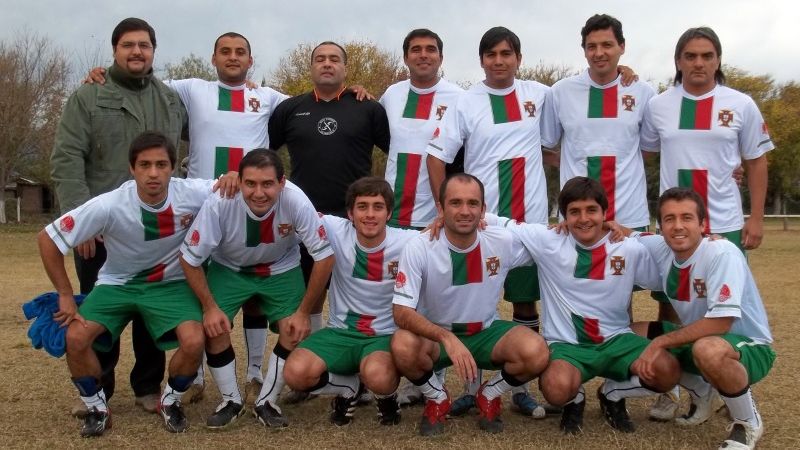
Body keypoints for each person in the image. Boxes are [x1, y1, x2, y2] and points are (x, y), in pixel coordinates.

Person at [50, 17, 186, 416]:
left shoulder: (169, 99)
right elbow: (66, 156)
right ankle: (98, 389)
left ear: (154, 51)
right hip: (101, 228)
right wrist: (78, 220)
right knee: (99, 310)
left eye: (144, 45)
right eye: (128, 45)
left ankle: (148, 387)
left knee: (152, 312)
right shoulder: (88, 96)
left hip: (158, 227)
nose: (136, 52)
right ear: (114, 51)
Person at [38, 131, 211, 436]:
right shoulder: (108, 204)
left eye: (161, 164)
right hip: (117, 283)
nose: (153, 173)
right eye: (144, 165)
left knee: (195, 341)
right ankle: (97, 407)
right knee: (75, 338)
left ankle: (170, 400)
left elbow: (242, 188)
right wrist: (65, 294)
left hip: (169, 284)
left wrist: (234, 175)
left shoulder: (193, 192)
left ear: (173, 167)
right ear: (132, 169)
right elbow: (48, 239)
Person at [425, 26, 557, 416]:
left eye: (506, 54)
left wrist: (626, 74)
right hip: (479, 224)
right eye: (491, 54)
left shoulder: (540, 95)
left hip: (527, 221)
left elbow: (556, 142)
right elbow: (436, 157)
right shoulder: (466, 102)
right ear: (481, 60)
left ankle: (518, 389)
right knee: (471, 304)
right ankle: (471, 386)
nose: (499, 61)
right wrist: (442, 208)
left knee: (524, 302)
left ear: (519, 57)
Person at [491, 177, 680, 433]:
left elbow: (666, 268)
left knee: (666, 372)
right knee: (556, 389)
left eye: (591, 210)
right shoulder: (548, 239)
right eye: (574, 212)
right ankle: (575, 398)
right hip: (567, 345)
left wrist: (704, 243)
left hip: (616, 339)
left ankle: (612, 393)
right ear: (563, 217)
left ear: (605, 213)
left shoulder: (626, 247)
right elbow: (500, 222)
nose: (583, 219)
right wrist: (448, 217)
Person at [179, 149, 334, 429]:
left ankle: (266, 401)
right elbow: (189, 259)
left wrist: (304, 313)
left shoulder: (296, 200)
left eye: (267, 184)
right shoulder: (220, 202)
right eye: (250, 183)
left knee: (294, 329)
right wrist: (210, 308)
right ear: (240, 182)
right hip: (231, 268)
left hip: (280, 268)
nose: (258, 193)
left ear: (282, 182)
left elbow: (324, 257)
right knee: (213, 327)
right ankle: (231, 400)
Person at [391, 174, 549, 436]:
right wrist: (446, 338)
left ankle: (489, 394)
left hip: (486, 332)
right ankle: (437, 398)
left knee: (536, 351)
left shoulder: (501, 240)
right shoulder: (420, 245)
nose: (465, 211)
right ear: (440, 209)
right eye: (455, 203)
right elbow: (401, 312)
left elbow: (552, 241)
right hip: (438, 338)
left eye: (472, 203)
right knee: (402, 345)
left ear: (483, 209)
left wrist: (607, 229)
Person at [629, 188, 775, 449]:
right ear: (660, 226)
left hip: (749, 347)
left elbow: (721, 323)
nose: (677, 226)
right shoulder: (662, 248)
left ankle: (747, 422)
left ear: (703, 224)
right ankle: (703, 391)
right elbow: (627, 234)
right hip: (702, 341)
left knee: (706, 347)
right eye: (669, 219)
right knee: (629, 334)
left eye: (686, 217)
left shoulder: (721, 253)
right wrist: (610, 226)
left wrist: (660, 343)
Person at [268, 41, 391, 343]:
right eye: (320, 59)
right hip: (305, 220)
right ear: (310, 67)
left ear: (345, 68)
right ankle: (315, 359)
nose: (327, 63)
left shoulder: (369, 108)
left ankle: (354, 365)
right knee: (309, 293)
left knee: (353, 290)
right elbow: (264, 157)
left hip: (356, 220)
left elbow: (398, 154)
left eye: (334, 59)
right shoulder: (290, 109)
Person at [284, 177, 421, 426]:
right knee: (295, 374)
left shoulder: (408, 242)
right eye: (362, 206)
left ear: (389, 213)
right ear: (350, 213)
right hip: (341, 332)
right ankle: (350, 388)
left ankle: (386, 396)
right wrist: (231, 179)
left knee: (378, 376)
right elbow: (293, 208)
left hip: (383, 335)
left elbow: (445, 236)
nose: (370, 215)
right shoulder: (334, 229)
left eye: (378, 207)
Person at [641, 26, 773, 252]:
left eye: (707, 56)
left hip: (724, 221)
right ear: (678, 62)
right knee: (673, 287)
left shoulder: (741, 104)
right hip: (674, 222)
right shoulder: (657, 105)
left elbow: (756, 161)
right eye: (690, 56)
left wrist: (756, 218)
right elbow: (642, 155)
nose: (699, 63)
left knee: (725, 287)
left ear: (718, 61)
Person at [379, 29, 464, 229]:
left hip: (436, 218)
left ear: (441, 58)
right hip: (391, 213)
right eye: (416, 50)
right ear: (406, 58)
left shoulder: (460, 97)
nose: (423, 55)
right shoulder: (392, 94)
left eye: (430, 50)